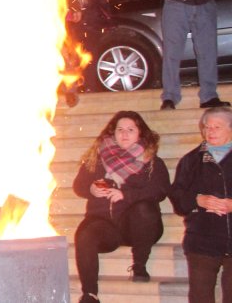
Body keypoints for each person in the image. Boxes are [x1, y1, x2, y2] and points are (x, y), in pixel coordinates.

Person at [72, 111, 169, 303]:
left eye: (130, 130)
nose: (124, 134)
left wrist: (126, 196)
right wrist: (90, 188)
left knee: (144, 209)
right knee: (84, 234)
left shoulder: (150, 160)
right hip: (105, 225)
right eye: (120, 130)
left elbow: (160, 190)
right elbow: (78, 186)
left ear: (140, 133)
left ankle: (139, 265)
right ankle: (90, 294)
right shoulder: (97, 157)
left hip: (138, 227)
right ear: (113, 133)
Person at [170, 106, 232, 303]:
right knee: (200, 298)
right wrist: (198, 200)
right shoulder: (191, 160)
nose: (210, 132)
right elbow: (178, 197)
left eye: (217, 127)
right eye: (207, 127)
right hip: (202, 241)